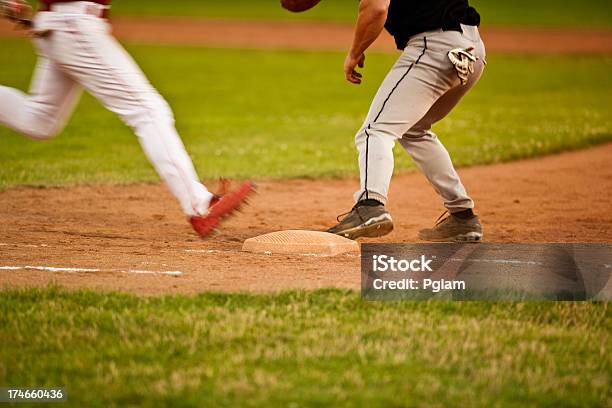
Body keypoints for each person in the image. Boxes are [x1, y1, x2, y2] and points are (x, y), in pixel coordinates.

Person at [0, 0, 254, 237]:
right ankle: (200, 206)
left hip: (64, 25)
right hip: (74, 25)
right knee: (149, 111)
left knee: (39, 119)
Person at [326, 0, 486, 242]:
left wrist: (354, 53)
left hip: (434, 47)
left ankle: (369, 206)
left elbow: (376, 8)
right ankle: (463, 217)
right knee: (415, 130)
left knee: (375, 131)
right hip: (472, 51)